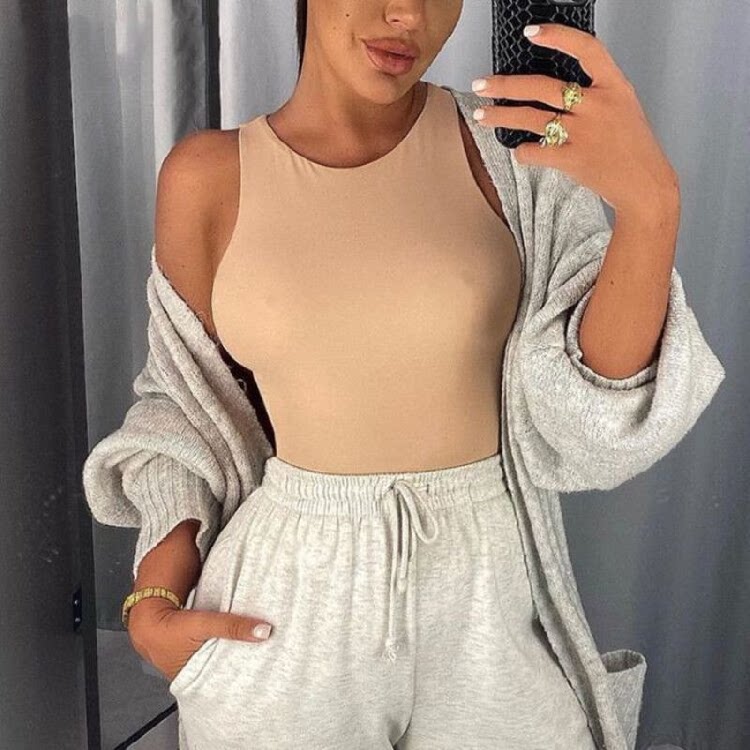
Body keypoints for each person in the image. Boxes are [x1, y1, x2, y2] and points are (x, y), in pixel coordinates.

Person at [83, 2, 726, 749]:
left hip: (491, 600)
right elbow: (185, 409)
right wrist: (153, 601)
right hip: (284, 606)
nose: (407, 15)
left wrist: (652, 207)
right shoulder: (207, 177)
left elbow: (593, 423)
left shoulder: (518, 151)